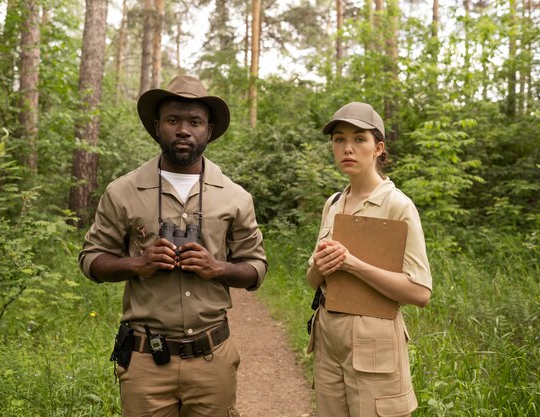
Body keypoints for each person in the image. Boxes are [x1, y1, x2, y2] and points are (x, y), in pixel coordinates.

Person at [79, 75, 268, 417]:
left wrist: (218, 268)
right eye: (173, 120)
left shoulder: (235, 197)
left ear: (209, 130)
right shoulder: (123, 192)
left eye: (195, 122)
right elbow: (91, 260)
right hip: (146, 362)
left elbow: (256, 269)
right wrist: (137, 264)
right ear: (157, 127)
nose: (184, 130)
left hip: (213, 360)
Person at [305, 102, 432, 417]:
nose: (347, 148)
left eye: (359, 139)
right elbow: (312, 280)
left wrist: (352, 264)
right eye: (339, 139)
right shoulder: (333, 203)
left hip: (373, 344)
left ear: (378, 148)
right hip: (328, 335)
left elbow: (420, 293)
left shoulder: (397, 206)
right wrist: (319, 269)